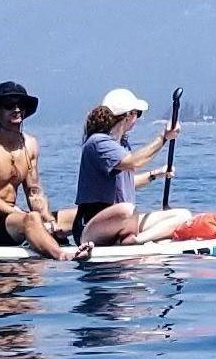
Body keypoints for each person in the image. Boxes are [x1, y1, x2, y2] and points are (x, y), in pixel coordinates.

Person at [0, 82, 66, 260]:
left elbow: (34, 192)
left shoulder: (30, 144)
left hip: (16, 218)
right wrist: (21, 215)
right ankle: (63, 256)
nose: (17, 109)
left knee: (74, 216)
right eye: (9, 105)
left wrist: (49, 220)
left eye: (21, 104)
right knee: (31, 219)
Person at [70, 88, 175, 249]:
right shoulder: (98, 142)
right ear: (128, 115)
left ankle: (137, 240)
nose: (137, 118)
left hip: (123, 223)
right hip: (92, 225)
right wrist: (163, 138)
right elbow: (133, 162)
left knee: (181, 215)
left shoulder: (122, 145)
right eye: (137, 113)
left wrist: (155, 174)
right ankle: (137, 238)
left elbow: (125, 184)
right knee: (127, 210)